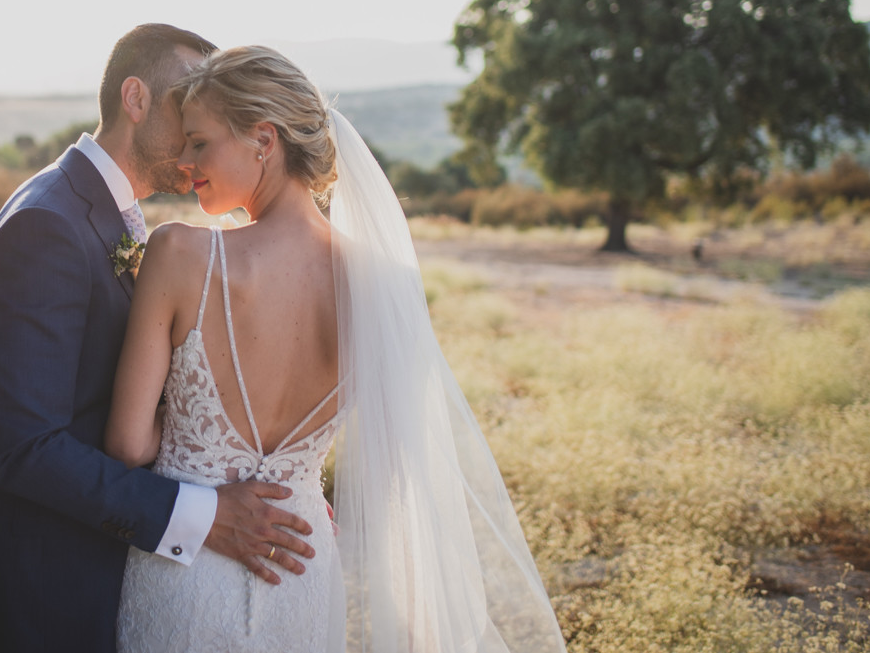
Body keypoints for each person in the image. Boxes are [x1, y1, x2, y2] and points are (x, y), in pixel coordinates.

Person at [105, 46, 569, 652]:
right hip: (299, 565)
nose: (186, 162)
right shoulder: (383, 284)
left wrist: (183, 419)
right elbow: (390, 460)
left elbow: (126, 444)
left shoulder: (180, 255)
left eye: (199, 142)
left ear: (262, 140)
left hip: (185, 573)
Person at [0, 26, 318, 653]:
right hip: (48, 587)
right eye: (188, 104)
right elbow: (23, 448)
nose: (201, 121)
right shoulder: (46, 224)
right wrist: (206, 516)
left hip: (112, 568)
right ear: (136, 98)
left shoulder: (111, 212)